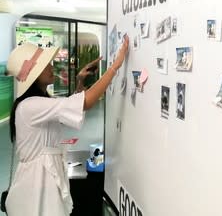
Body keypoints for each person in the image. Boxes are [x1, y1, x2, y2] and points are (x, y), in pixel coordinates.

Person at [4, 35, 129, 216]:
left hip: (43, 177)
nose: (52, 67)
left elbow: (68, 109)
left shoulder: (37, 103)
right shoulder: (30, 106)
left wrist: (80, 82)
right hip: (37, 182)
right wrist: (115, 66)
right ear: (35, 74)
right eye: (46, 65)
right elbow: (84, 103)